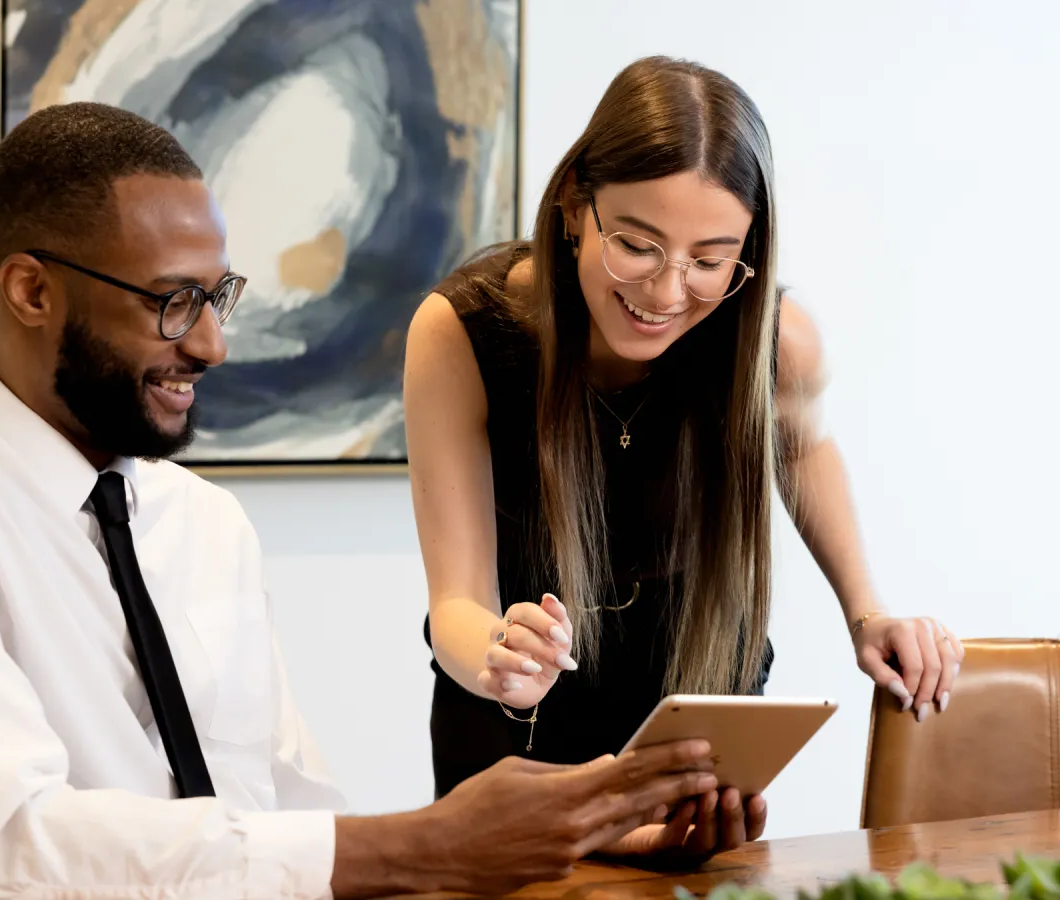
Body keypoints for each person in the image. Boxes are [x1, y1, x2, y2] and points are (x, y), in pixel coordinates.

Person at [0, 102, 719, 900]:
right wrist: (431, 844)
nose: (213, 344)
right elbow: (4, 847)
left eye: (220, 295)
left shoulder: (204, 525)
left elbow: (288, 826)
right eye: (173, 301)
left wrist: (578, 840)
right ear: (29, 291)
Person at [404, 56, 965, 862]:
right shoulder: (464, 330)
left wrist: (868, 614)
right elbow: (455, 598)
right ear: (573, 207)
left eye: (709, 260)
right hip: (519, 744)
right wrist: (499, 656)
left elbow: (802, 447)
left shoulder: (773, 338)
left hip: (693, 723)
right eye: (637, 244)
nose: (668, 292)